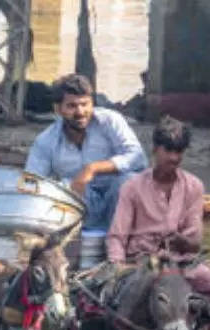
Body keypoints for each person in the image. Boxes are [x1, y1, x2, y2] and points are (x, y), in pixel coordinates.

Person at [106, 116, 210, 330]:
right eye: (168, 150)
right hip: (144, 262)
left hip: (183, 263)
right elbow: (117, 235)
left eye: (179, 151)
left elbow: (195, 241)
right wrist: (117, 266)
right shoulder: (132, 188)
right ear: (155, 149)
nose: (174, 158)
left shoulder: (193, 187)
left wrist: (180, 241)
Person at [25, 74, 147, 230]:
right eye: (72, 106)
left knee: (129, 181)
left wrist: (93, 168)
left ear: (92, 103)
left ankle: (123, 245)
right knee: (60, 190)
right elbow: (31, 181)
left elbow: (138, 158)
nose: (80, 112)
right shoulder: (46, 140)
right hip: (82, 206)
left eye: (85, 104)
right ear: (58, 109)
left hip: (117, 198)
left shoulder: (110, 121)